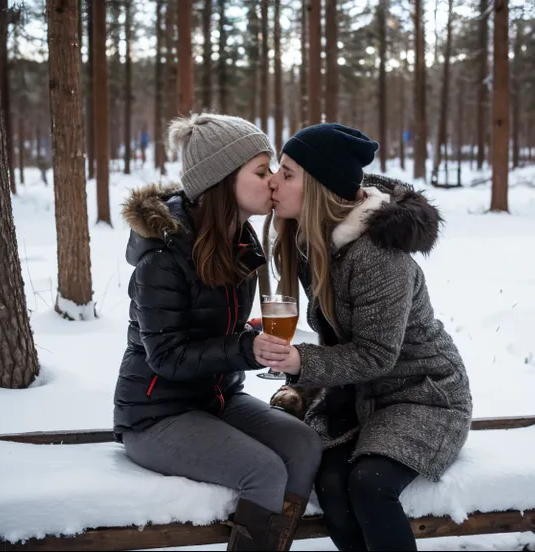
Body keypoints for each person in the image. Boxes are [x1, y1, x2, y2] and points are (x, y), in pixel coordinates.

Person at [112, 113, 322, 552]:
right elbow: (167, 356)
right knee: (263, 471)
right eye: (261, 171)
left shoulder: (240, 240)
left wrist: (250, 333)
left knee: (303, 443)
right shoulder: (164, 257)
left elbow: (211, 326)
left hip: (217, 399)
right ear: (223, 179)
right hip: (155, 416)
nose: (272, 182)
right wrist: (246, 347)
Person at [259, 123, 473, 551]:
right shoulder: (309, 238)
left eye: (287, 173)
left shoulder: (377, 255)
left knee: (370, 485)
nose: (273, 182)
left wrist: (302, 363)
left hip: (423, 394)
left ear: (318, 186)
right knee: (332, 484)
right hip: (361, 396)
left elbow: (377, 355)